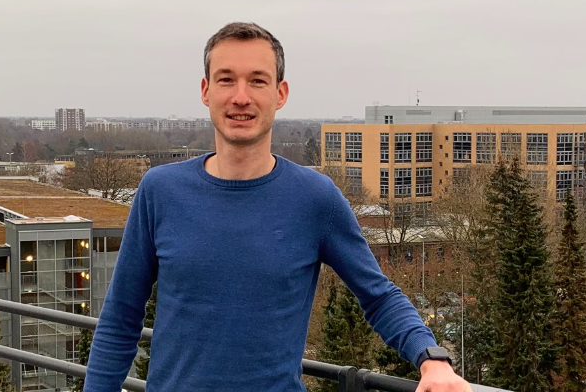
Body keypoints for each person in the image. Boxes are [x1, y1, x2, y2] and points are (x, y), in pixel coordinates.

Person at [83, 22, 472, 392]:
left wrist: (431, 358)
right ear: (205, 91)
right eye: (226, 79)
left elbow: (378, 295)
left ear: (280, 93)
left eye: (257, 80)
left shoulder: (315, 197)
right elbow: (120, 319)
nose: (241, 96)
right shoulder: (160, 190)